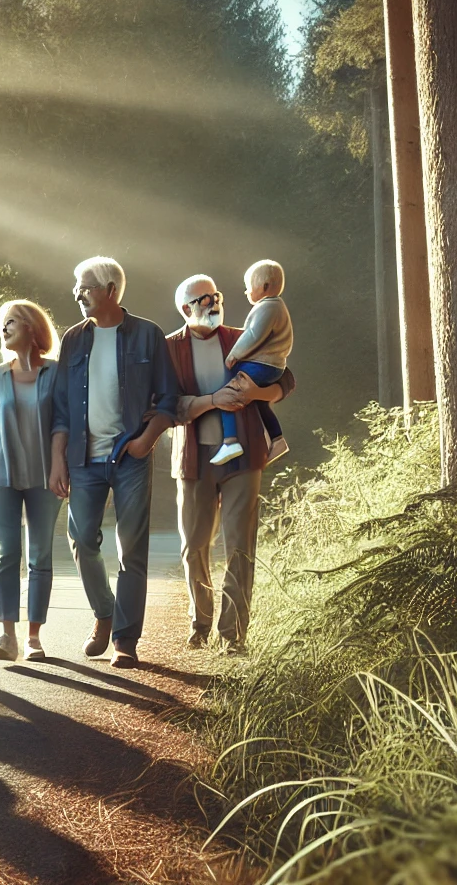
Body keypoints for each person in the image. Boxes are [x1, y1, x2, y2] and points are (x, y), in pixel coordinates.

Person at [49, 257, 177, 669]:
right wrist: (57, 460)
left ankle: (125, 639)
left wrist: (146, 441)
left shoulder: (148, 335)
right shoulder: (73, 339)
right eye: (76, 286)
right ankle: (104, 612)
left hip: (130, 457)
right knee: (82, 538)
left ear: (110, 290)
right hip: (83, 458)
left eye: (85, 286)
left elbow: (169, 399)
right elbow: (61, 408)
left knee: (131, 549)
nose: (77, 293)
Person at [166, 274, 295, 656]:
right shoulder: (169, 349)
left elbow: (285, 379)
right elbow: (166, 405)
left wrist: (258, 392)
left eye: (217, 295)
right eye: (205, 299)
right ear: (186, 308)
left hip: (245, 457)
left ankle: (233, 635)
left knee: (240, 546)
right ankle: (200, 623)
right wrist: (213, 400)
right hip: (194, 460)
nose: (215, 303)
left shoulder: (243, 337)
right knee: (194, 547)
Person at [0, 299, 62, 663]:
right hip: (0, 477)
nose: (3, 328)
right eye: (2, 323)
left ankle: (33, 637)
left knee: (39, 555)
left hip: (45, 476)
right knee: (7, 552)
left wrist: (60, 466)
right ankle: (6, 633)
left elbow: (63, 423)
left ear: (30, 326)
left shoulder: (56, 373)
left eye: (10, 321)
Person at [212, 260, 291, 466]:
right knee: (260, 402)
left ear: (264, 287)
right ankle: (277, 439)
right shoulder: (277, 306)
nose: (246, 292)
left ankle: (230, 440)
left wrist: (234, 355)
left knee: (227, 391)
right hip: (274, 365)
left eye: (248, 287)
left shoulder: (268, 307)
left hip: (263, 364)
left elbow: (253, 335)